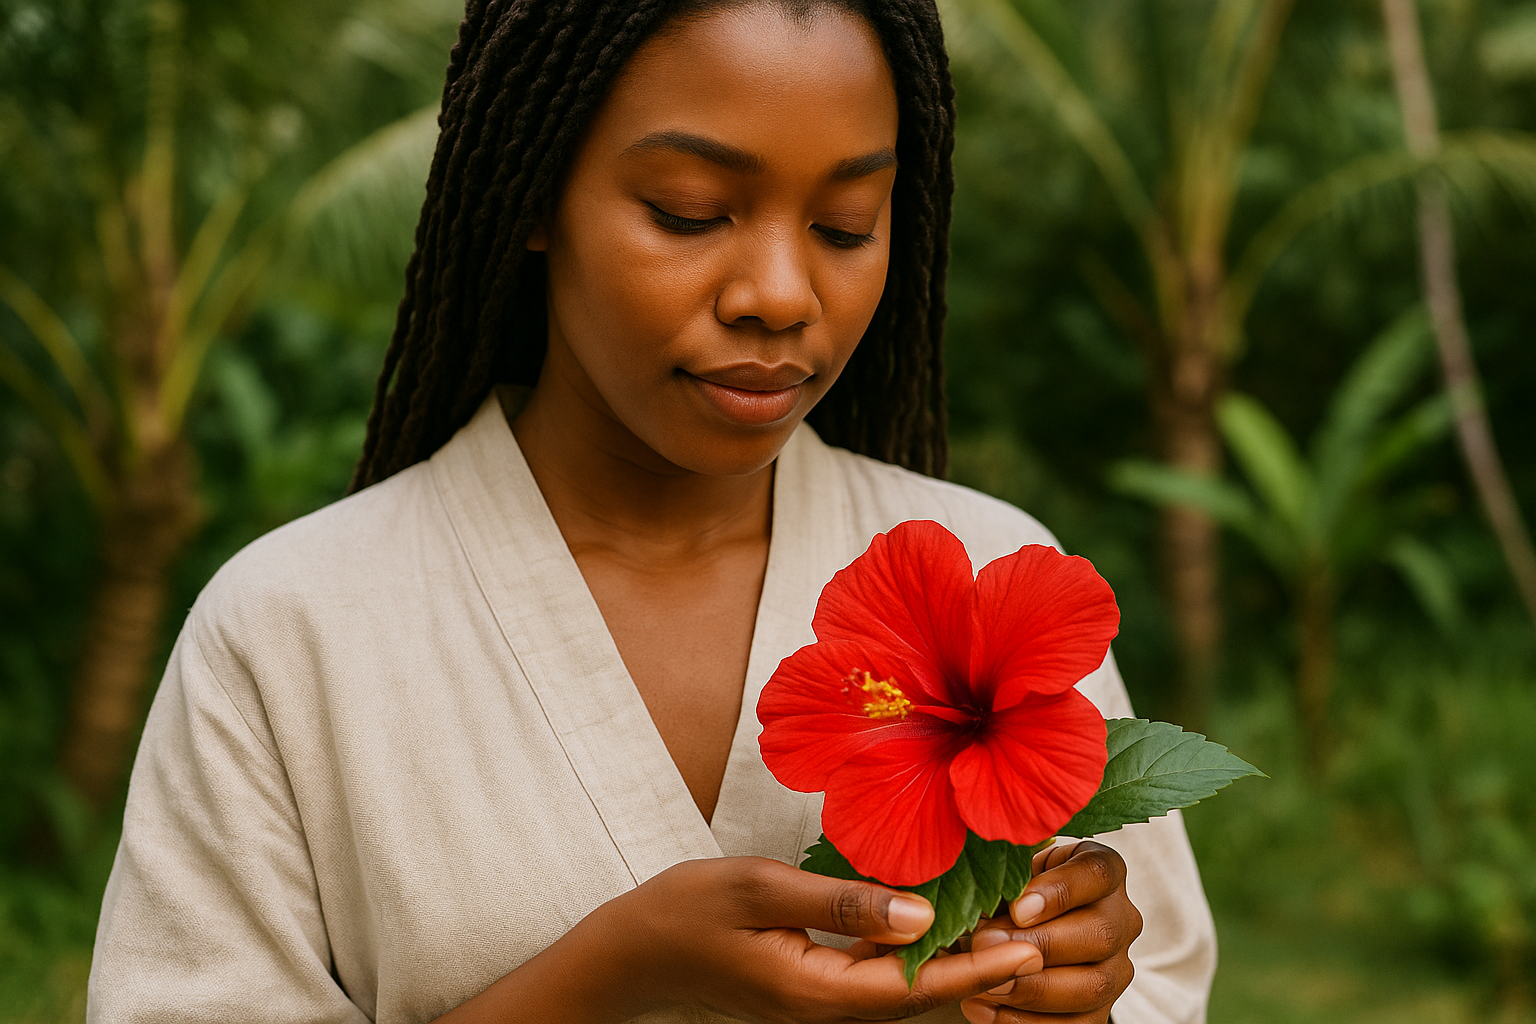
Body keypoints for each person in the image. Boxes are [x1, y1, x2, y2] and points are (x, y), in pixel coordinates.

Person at [88, 1, 1217, 1021]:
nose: (780, 294)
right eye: (689, 213)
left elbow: (1162, 985)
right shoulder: (292, 631)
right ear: (533, 193)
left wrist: (1080, 990)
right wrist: (619, 970)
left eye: (845, 225)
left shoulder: (993, 567)